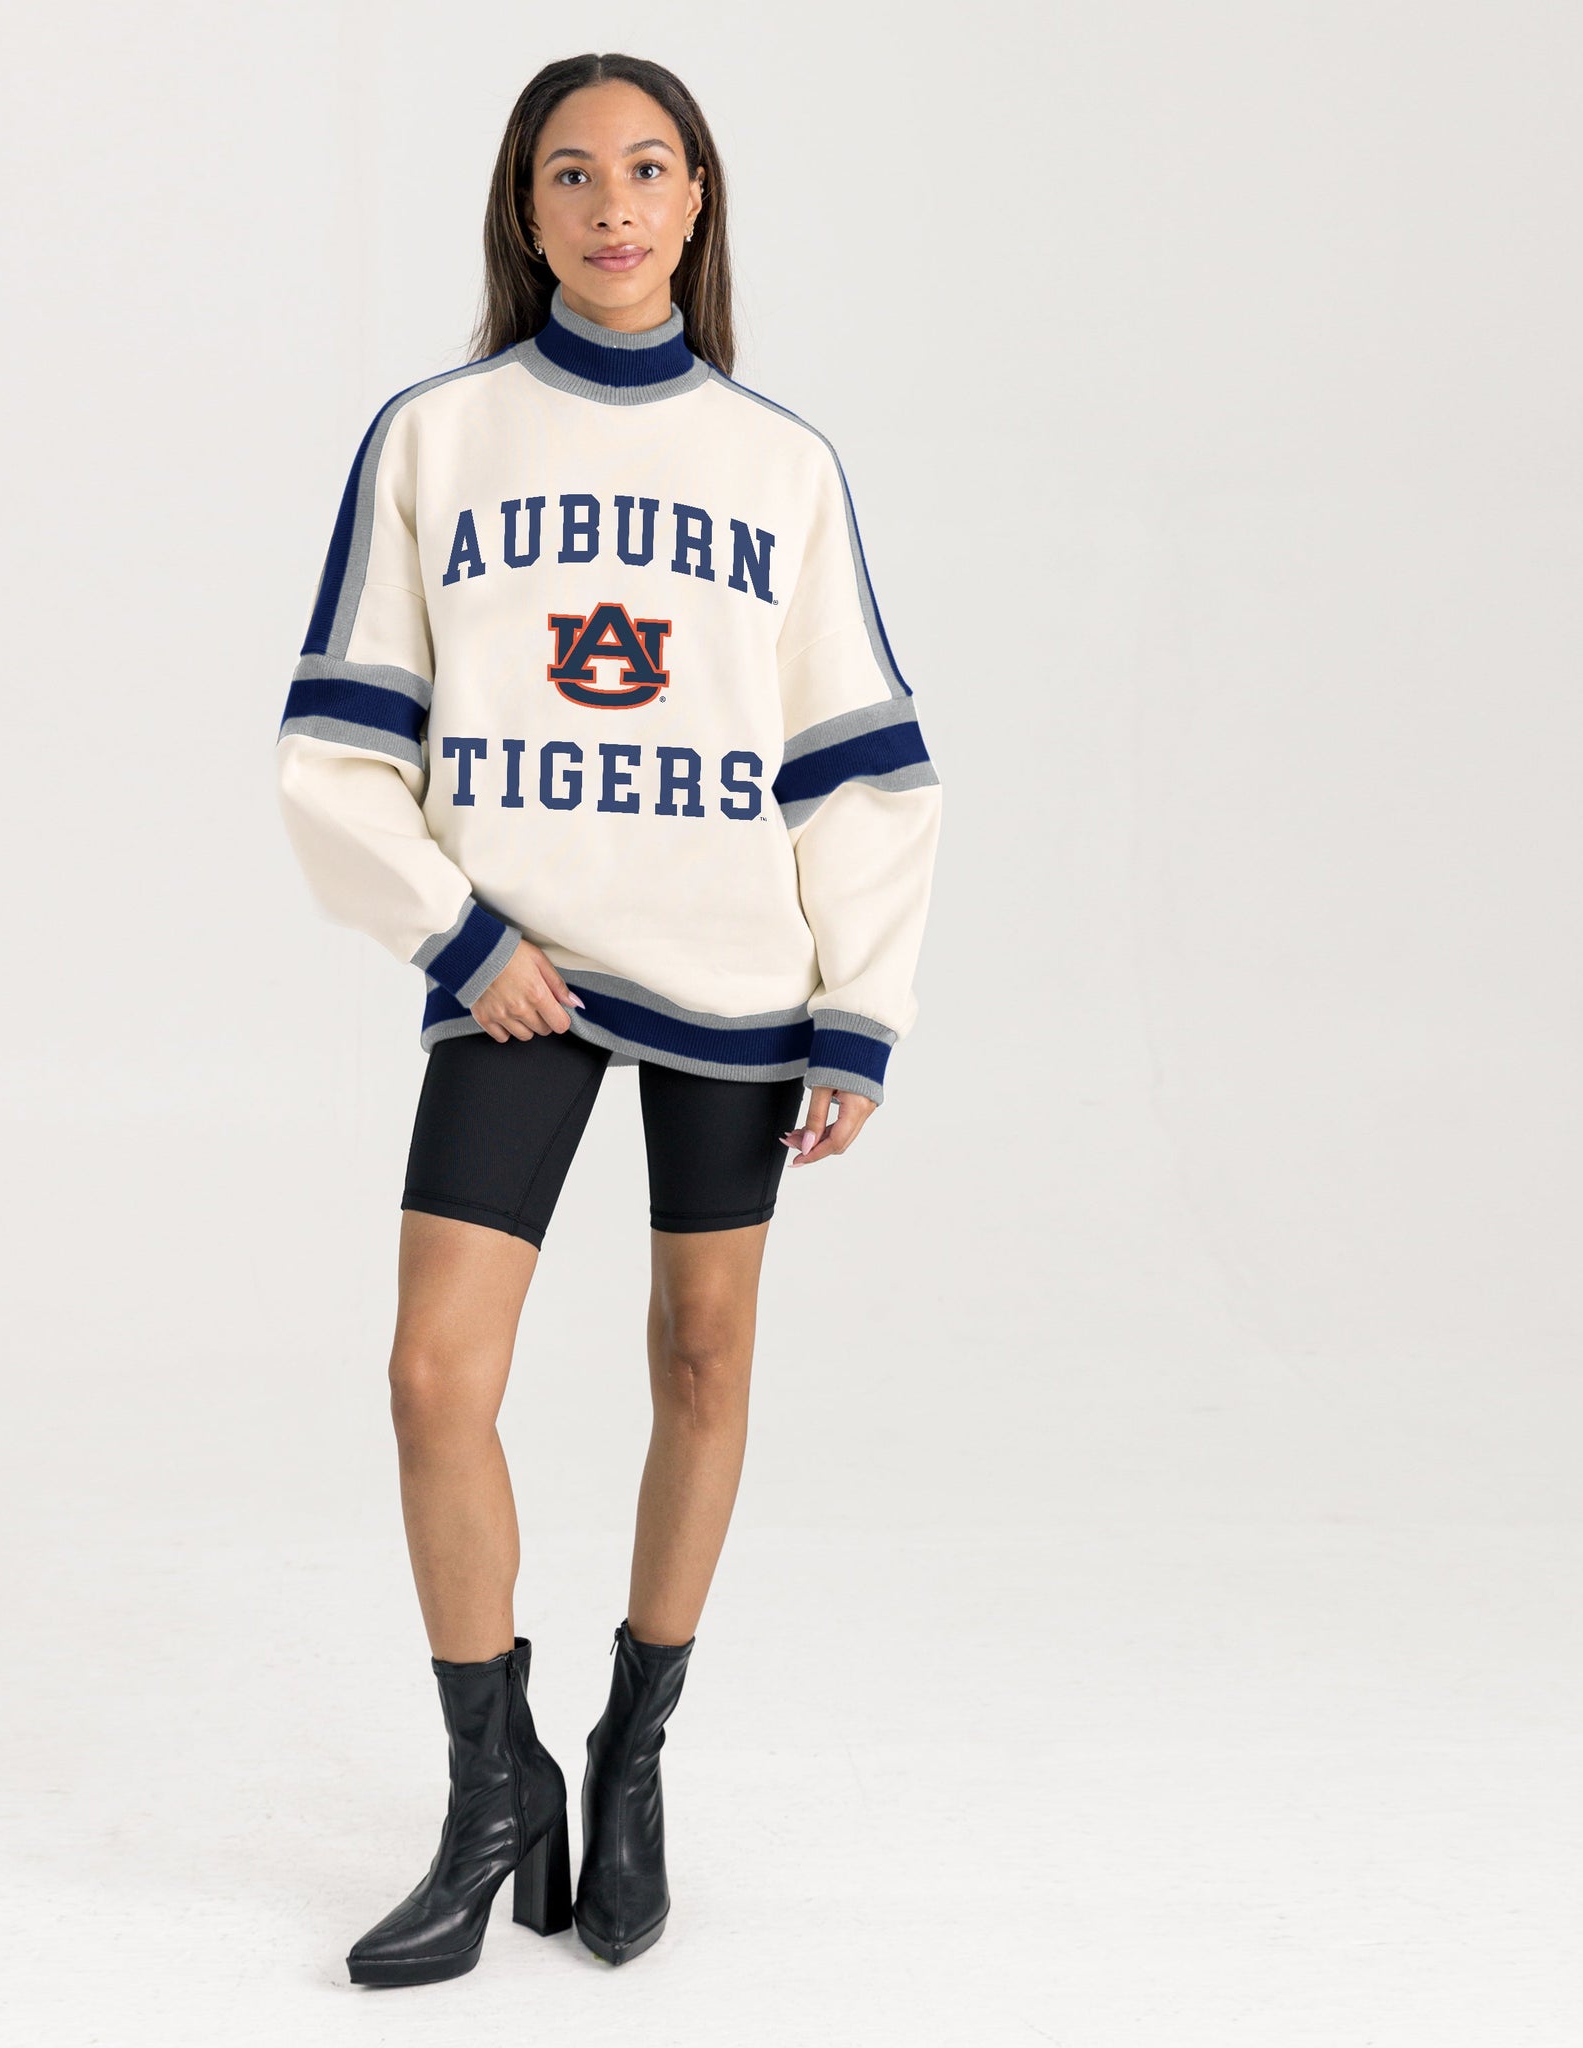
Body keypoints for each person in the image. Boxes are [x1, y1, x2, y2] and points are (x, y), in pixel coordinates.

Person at [275, 51, 943, 1987]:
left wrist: (858, 1008)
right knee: (433, 1378)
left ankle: (631, 1759)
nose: (613, 204)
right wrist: (455, 931)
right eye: (571, 174)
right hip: (522, 972)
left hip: (733, 972)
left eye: (649, 168)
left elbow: (860, 765)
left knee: (704, 1362)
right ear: (526, 210)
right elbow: (335, 746)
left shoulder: (779, 466)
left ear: (698, 200)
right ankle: (491, 1795)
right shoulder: (436, 438)